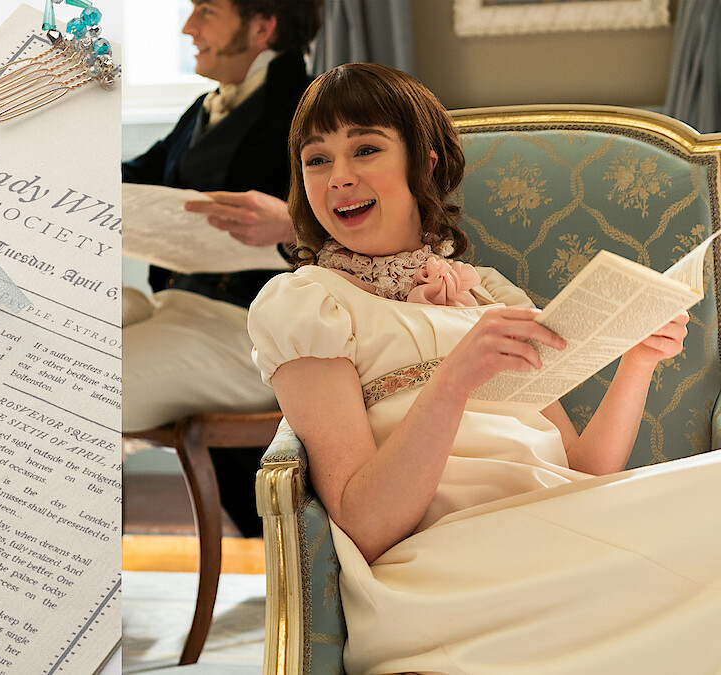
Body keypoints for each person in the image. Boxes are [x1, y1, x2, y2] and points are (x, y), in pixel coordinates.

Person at [248, 62, 717, 674]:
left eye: (365, 148)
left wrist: (638, 360)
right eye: (316, 159)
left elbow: (582, 470)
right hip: (447, 569)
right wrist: (454, 378)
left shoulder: (490, 296)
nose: (340, 178)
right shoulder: (309, 304)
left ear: (428, 162)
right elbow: (364, 525)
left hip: (561, 525)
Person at [122, 0, 319, 536]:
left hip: (251, 331)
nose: (188, 27)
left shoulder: (317, 109)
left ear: (263, 25)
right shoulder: (204, 109)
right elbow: (132, 178)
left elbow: (395, 227)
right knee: (48, 329)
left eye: (206, 11)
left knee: (73, 383)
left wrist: (290, 225)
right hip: (175, 304)